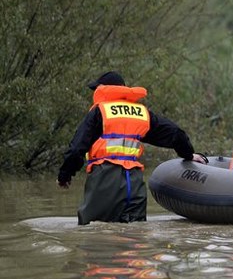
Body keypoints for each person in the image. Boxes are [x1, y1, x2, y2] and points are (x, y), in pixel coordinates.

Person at [57, 71, 208, 225]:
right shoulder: (141, 113)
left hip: (105, 180)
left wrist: (65, 174)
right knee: (135, 235)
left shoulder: (99, 112)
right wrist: (189, 155)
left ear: (103, 89)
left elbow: (77, 149)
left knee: (92, 233)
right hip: (135, 185)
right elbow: (176, 134)